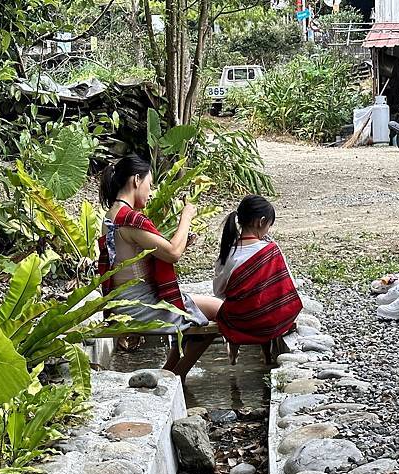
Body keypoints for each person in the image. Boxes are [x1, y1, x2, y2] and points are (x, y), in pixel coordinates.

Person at [98, 153, 222, 379]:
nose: (151, 191)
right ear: (136, 180)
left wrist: (182, 239)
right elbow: (173, 253)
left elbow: (144, 254)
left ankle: (170, 375)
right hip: (141, 307)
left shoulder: (111, 216)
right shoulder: (129, 219)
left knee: (206, 314)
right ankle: (175, 375)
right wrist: (186, 216)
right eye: (149, 184)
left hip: (124, 303)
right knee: (220, 312)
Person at [213, 194, 302, 365]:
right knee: (268, 300)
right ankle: (267, 356)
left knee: (239, 304)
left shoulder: (228, 252)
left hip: (236, 321)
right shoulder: (271, 250)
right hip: (268, 321)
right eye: (269, 225)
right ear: (261, 222)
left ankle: (233, 348)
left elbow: (218, 290)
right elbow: (288, 285)